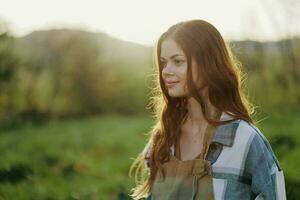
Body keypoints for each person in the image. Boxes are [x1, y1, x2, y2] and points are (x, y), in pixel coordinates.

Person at [128, 19, 286, 200]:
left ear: (208, 64)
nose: (165, 71)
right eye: (164, 62)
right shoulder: (164, 136)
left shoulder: (245, 140)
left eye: (177, 61)